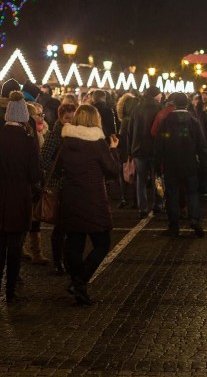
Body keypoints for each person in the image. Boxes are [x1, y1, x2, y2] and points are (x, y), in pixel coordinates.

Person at [0, 91, 42, 303]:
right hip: (19, 198)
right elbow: (35, 174)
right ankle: (10, 289)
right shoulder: (27, 141)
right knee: (15, 246)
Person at [58, 104, 119, 305]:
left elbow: (58, 166)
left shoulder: (66, 140)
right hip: (93, 198)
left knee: (74, 242)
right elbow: (111, 170)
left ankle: (77, 282)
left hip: (71, 196)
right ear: (95, 120)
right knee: (102, 242)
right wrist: (113, 150)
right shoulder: (97, 142)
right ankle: (80, 280)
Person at [153, 92, 207, 238]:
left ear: (174, 104)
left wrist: (157, 165)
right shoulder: (193, 120)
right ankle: (194, 219)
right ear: (187, 104)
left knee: (172, 194)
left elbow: (159, 145)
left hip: (171, 163)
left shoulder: (166, 120)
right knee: (192, 193)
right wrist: (204, 163)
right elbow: (202, 145)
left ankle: (174, 225)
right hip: (190, 163)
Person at [38, 102, 77, 274]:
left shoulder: (76, 134)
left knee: (70, 225)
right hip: (58, 185)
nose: (69, 120)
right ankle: (58, 261)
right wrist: (59, 168)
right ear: (60, 117)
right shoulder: (55, 135)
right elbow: (44, 159)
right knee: (61, 225)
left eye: (72, 117)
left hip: (72, 184)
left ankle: (68, 260)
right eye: (66, 117)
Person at [127, 86, 164, 218]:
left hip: (139, 148)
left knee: (140, 179)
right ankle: (158, 204)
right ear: (155, 95)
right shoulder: (159, 108)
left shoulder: (137, 108)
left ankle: (142, 207)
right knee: (158, 178)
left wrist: (131, 149)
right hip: (154, 149)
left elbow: (130, 130)